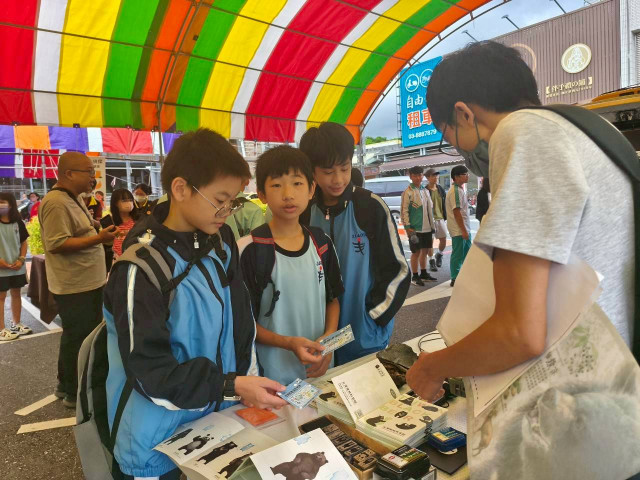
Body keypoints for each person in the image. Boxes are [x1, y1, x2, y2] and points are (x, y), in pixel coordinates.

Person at [406, 41, 635, 403]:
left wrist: (432, 367)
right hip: (616, 382)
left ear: (463, 113)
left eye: (446, 134)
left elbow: (519, 333)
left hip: (584, 402)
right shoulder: (581, 128)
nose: (459, 150)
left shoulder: (523, 133)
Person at [104, 128, 287, 479]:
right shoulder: (140, 267)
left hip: (216, 426)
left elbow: (240, 324)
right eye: (220, 199)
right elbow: (149, 372)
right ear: (180, 189)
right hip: (154, 445)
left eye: (233, 201)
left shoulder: (222, 241)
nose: (227, 211)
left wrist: (245, 381)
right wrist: (230, 385)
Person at [300, 122, 410, 365]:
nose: (338, 179)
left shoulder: (370, 206)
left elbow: (399, 269)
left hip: (365, 335)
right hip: (318, 336)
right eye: (328, 172)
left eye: (345, 168)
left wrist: (373, 316)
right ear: (312, 171)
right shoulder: (304, 212)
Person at [239, 146, 343, 385]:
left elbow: (333, 299)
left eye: (297, 183)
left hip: (320, 371)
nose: (288, 194)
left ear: (311, 189)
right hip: (272, 379)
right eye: (276, 185)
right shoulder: (249, 249)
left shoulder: (321, 242)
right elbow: (244, 322)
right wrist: (288, 343)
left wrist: (328, 343)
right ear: (261, 194)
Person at [38, 152, 119, 408]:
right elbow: (57, 243)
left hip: (86, 281)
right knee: (81, 337)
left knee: (75, 336)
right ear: (69, 174)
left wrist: (94, 225)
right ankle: (76, 392)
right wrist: (99, 238)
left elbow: (76, 230)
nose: (93, 178)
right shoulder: (56, 203)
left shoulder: (72, 198)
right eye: (88, 172)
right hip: (75, 285)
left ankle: (66, 385)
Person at [0, 193, 31, 341]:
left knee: (16, 294)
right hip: (1, 268)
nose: (0, 205)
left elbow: (24, 242)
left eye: (2, 202)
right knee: (1, 297)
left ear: (11, 204)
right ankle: (1, 329)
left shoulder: (18, 222)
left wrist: (21, 259)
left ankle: (16, 323)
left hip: (17, 266)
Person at [401, 166, 437, 286]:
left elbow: (430, 208)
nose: (418, 178)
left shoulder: (425, 190)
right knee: (416, 252)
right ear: (410, 176)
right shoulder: (407, 192)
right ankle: (415, 276)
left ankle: (424, 273)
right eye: (415, 175)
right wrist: (407, 227)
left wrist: (433, 225)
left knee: (425, 251)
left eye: (420, 175)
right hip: (415, 228)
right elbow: (404, 211)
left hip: (427, 227)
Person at [445, 165, 471, 287]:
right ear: (456, 177)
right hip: (459, 230)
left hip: (464, 228)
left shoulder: (460, 189)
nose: (467, 176)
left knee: (466, 253)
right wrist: (463, 230)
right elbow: (456, 212)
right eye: (464, 174)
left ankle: (464, 275)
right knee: (458, 254)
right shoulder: (455, 191)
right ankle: (455, 278)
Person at [425, 168, 447, 272]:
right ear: (428, 178)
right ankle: (431, 260)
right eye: (433, 175)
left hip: (440, 218)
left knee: (443, 239)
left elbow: (445, 203)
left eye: (436, 175)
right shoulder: (424, 190)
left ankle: (439, 254)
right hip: (429, 219)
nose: (436, 177)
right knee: (430, 242)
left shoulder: (440, 189)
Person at [109, 188, 139, 259]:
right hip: (118, 258)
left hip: (136, 256)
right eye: (124, 200)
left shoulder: (138, 219)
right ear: (115, 203)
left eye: (130, 200)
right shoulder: (111, 221)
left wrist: (128, 233)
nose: (128, 203)